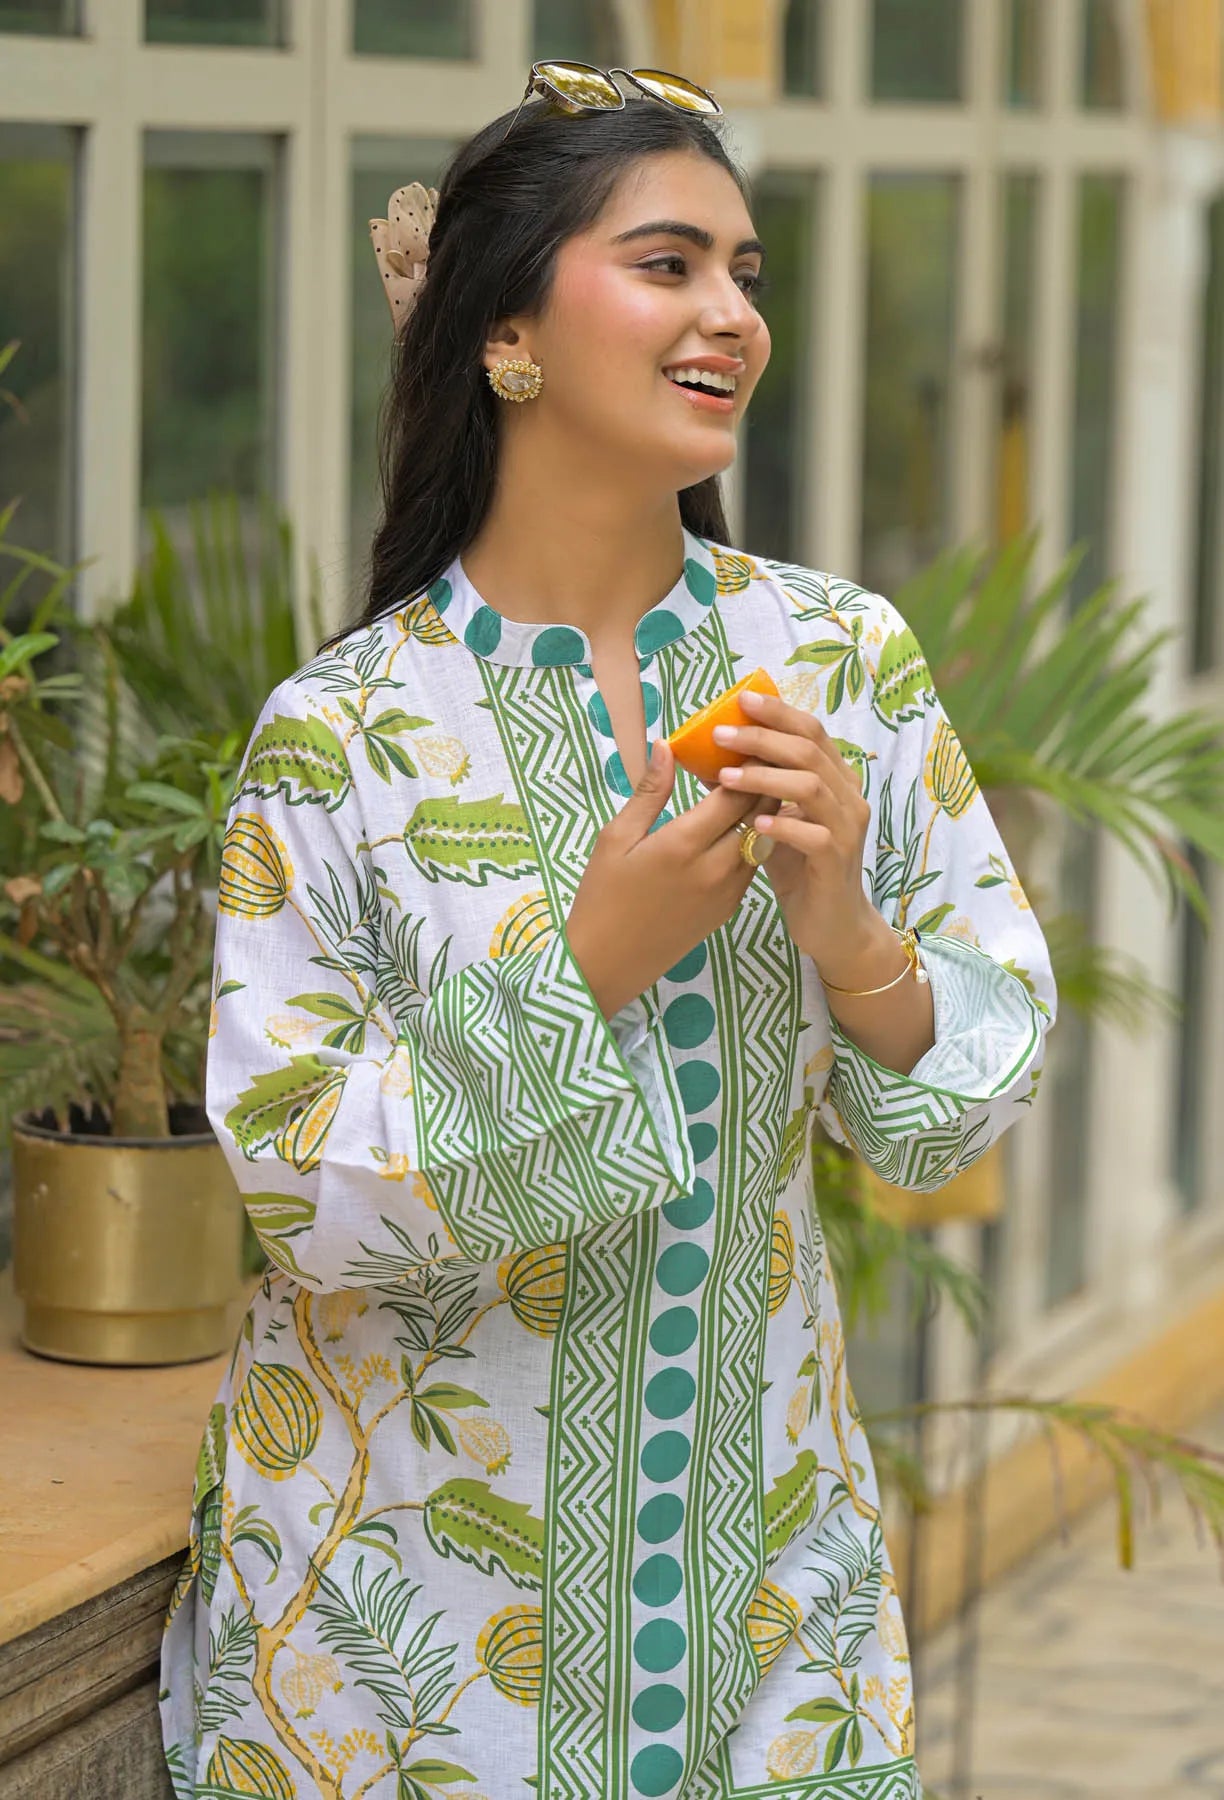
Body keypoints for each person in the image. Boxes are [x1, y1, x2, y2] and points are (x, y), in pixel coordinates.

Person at [159, 61, 1056, 1800]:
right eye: (669, 264)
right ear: (507, 333)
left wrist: (849, 927)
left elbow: (975, 1069)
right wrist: (590, 964)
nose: (731, 313)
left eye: (746, 273)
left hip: (771, 1603)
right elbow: (296, 1185)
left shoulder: (838, 667)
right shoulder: (340, 735)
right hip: (397, 1655)